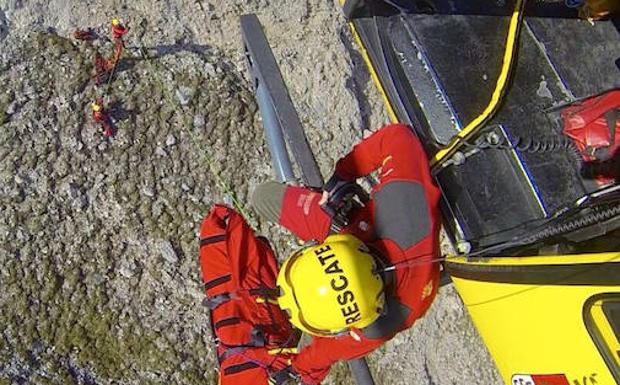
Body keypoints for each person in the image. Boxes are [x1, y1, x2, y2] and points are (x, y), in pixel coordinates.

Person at [252, 123, 441, 385]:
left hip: (352, 233)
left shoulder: (376, 325)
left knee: (262, 197)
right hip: (357, 232)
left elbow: (326, 351)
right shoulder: (402, 204)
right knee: (264, 197)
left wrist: (300, 370)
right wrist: (344, 172)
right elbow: (399, 136)